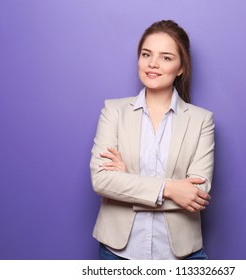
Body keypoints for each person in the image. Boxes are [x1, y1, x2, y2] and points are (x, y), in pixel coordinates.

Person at [90, 20, 215, 260]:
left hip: (181, 253)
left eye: (166, 57)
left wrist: (127, 184)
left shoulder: (201, 120)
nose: (153, 64)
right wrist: (170, 188)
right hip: (118, 252)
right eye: (146, 54)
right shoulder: (113, 111)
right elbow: (101, 180)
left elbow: (196, 194)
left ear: (181, 67)